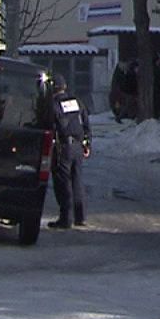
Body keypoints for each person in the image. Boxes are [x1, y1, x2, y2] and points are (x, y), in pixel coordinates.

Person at [47, 81, 91, 229]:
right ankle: (80, 217)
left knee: (63, 182)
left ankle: (66, 218)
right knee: (77, 180)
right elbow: (86, 123)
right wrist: (87, 143)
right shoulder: (76, 101)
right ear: (65, 87)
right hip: (78, 146)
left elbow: (50, 124)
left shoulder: (54, 104)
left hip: (63, 147)